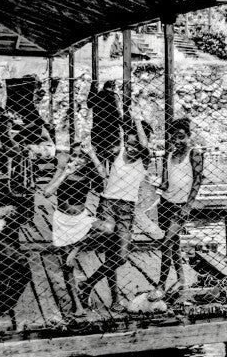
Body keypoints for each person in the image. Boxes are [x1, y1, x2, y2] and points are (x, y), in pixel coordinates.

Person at [77, 119, 151, 311]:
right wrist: (91, 153)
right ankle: (115, 297)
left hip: (127, 209)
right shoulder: (118, 153)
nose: (131, 148)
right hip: (108, 203)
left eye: (135, 145)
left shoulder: (144, 159)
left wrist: (135, 119)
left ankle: (87, 283)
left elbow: (143, 146)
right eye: (129, 143)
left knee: (120, 256)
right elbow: (101, 168)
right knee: (110, 242)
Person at [43, 142, 107, 316]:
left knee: (107, 228)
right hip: (62, 220)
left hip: (80, 218)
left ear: (87, 161)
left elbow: (104, 178)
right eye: (74, 155)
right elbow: (48, 193)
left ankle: (77, 248)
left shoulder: (88, 173)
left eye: (81, 157)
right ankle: (77, 304)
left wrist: (92, 155)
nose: (77, 159)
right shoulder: (64, 169)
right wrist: (65, 173)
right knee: (67, 265)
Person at [155, 117, 203, 294]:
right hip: (165, 203)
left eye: (181, 137)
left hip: (181, 206)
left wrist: (188, 206)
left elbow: (197, 181)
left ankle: (161, 285)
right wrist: (158, 185)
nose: (177, 141)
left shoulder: (194, 154)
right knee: (173, 244)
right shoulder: (168, 156)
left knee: (166, 244)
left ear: (189, 136)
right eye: (174, 137)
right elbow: (165, 183)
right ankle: (181, 279)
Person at [87, 80, 122, 163]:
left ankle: (100, 172)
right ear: (113, 87)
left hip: (98, 130)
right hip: (111, 130)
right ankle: (112, 171)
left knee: (99, 155)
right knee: (113, 154)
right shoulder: (114, 95)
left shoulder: (98, 95)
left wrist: (91, 89)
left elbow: (89, 104)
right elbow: (118, 112)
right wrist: (123, 124)